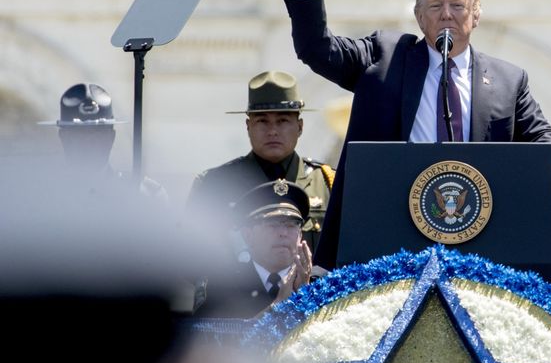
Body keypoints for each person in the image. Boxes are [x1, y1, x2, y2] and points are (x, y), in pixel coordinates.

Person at [283, 0, 551, 268]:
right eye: (435, 6)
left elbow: (544, 135)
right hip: (387, 238)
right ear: (420, 17)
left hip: (476, 240)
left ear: (477, 14)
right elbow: (318, 49)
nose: (447, 14)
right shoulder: (384, 57)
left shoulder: (508, 81)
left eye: (458, 5)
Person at [187, 70, 334, 255]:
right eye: (262, 121)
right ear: (248, 127)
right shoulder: (214, 185)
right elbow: (192, 258)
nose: (272, 131)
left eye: (282, 121)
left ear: (300, 126)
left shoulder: (328, 184)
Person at [193, 179, 324, 318]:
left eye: (291, 225)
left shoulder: (323, 282)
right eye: (272, 224)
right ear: (247, 235)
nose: (283, 233)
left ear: (300, 234)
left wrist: (306, 297)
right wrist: (279, 306)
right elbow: (212, 337)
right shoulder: (222, 286)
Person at [38, 82, 167, 200]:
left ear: (111, 138)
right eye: (80, 135)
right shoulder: (41, 198)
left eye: (96, 134)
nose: (88, 143)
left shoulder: (147, 195)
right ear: (63, 137)